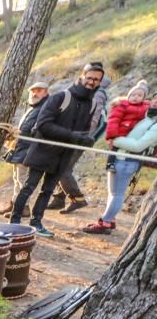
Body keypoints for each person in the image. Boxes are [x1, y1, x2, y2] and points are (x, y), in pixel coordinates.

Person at [9, 62, 105, 236]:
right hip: (43, 150)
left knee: (48, 190)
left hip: (63, 155)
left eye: (96, 80)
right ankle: (14, 221)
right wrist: (73, 135)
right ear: (82, 76)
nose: (92, 82)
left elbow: (81, 131)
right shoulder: (61, 97)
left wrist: (85, 139)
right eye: (89, 77)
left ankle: (36, 223)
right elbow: (43, 125)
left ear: (99, 82)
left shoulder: (91, 105)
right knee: (29, 186)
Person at [83, 95, 157, 234]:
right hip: (119, 157)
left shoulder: (155, 125)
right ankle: (109, 220)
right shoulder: (146, 116)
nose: (155, 102)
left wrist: (114, 140)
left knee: (117, 194)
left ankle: (104, 223)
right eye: (155, 99)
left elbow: (138, 145)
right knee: (113, 192)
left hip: (128, 160)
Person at [51, 74, 111, 214]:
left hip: (79, 138)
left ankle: (77, 199)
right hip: (78, 137)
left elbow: (93, 119)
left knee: (63, 169)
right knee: (65, 167)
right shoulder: (93, 94)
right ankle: (59, 199)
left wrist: (78, 136)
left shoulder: (97, 95)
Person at [0, 81, 50, 218]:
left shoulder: (45, 108)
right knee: (17, 178)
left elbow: (39, 130)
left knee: (22, 180)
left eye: (39, 90)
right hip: (21, 147)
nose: (35, 93)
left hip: (30, 149)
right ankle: (15, 203)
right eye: (33, 91)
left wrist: (20, 134)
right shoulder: (33, 107)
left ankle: (24, 208)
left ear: (46, 92)